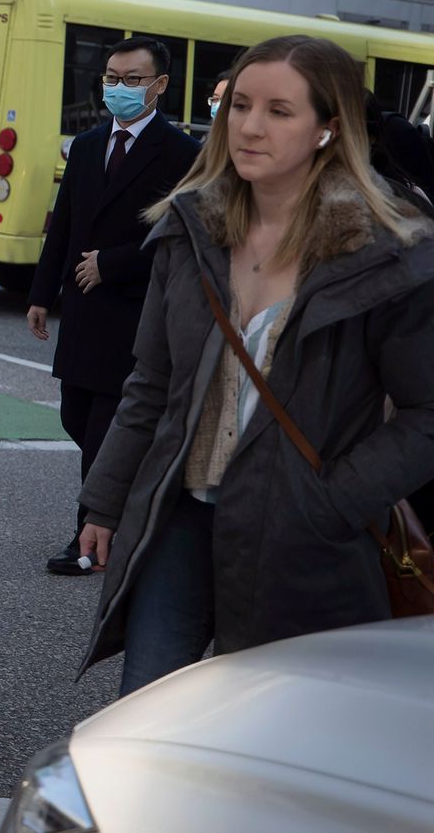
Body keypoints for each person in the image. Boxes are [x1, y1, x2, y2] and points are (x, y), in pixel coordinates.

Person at [78, 35, 434, 696]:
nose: (248, 126)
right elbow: (152, 384)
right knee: (151, 716)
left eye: (278, 110)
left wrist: (333, 502)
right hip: (181, 516)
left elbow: (426, 413)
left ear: (329, 128)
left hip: (303, 536)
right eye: (240, 104)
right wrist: (104, 500)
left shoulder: (387, 254)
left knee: (278, 734)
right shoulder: (188, 229)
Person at [27, 37, 200, 575]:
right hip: (82, 311)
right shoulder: (86, 145)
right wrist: (40, 293)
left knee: (105, 429)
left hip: (134, 311)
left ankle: (90, 538)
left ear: (159, 85)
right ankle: (130, 506)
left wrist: (115, 263)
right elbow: (65, 225)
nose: (117, 88)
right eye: (110, 78)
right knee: (75, 416)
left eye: (131, 79)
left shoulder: (181, 154)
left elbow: (180, 238)